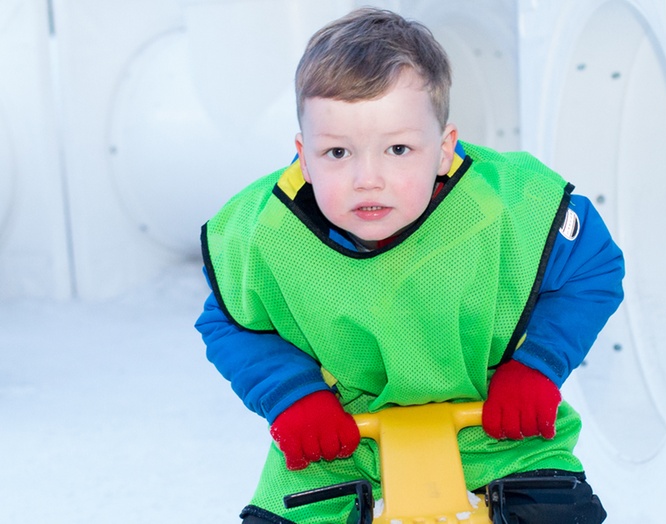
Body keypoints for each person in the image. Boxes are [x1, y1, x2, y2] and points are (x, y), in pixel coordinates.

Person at [196, 7, 624, 524]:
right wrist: (292, 396)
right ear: (303, 156)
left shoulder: (508, 207)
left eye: (398, 148)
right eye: (337, 153)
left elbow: (593, 267)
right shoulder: (263, 234)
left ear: (444, 150)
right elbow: (229, 320)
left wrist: (537, 365)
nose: (367, 178)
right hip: (338, 445)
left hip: (497, 433)